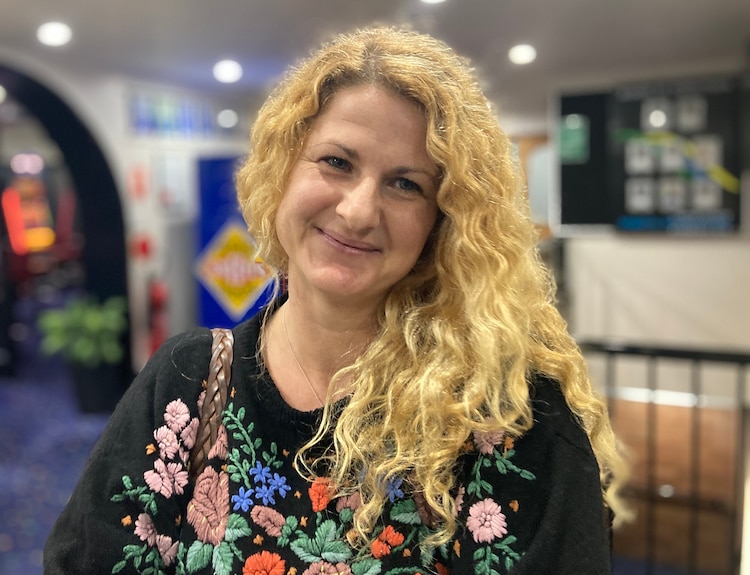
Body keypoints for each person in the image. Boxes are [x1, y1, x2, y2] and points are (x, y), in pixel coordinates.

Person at [44, 25, 630, 574]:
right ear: (282, 171)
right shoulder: (187, 384)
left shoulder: (506, 417)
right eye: (336, 162)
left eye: (406, 183)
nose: (357, 211)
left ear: (442, 220)